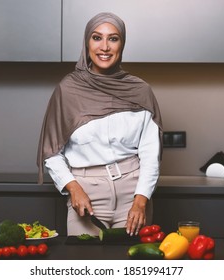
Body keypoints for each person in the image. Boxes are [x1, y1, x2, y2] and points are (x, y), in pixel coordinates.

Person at [37, 12, 163, 237]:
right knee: (84, 268)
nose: (105, 47)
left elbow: (150, 153)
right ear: (87, 43)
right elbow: (52, 152)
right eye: (97, 38)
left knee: (132, 269)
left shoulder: (140, 91)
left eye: (113, 39)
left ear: (122, 44)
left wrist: (141, 200)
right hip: (86, 195)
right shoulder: (68, 91)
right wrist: (73, 188)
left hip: (134, 195)